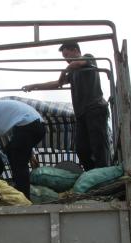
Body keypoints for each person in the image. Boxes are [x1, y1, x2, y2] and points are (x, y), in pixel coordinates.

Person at [22, 41, 109, 171]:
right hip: (81, 114)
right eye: (64, 58)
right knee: (82, 148)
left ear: (75, 50)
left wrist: (64, 71)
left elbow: (77, 63)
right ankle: (92, 174)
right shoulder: (73, 72)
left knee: (98, 145)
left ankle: (104, 173)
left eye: (67, 55)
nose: (67, 60)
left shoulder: (88, 58)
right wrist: (34, 85)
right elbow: (57, 83)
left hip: (95, 108)